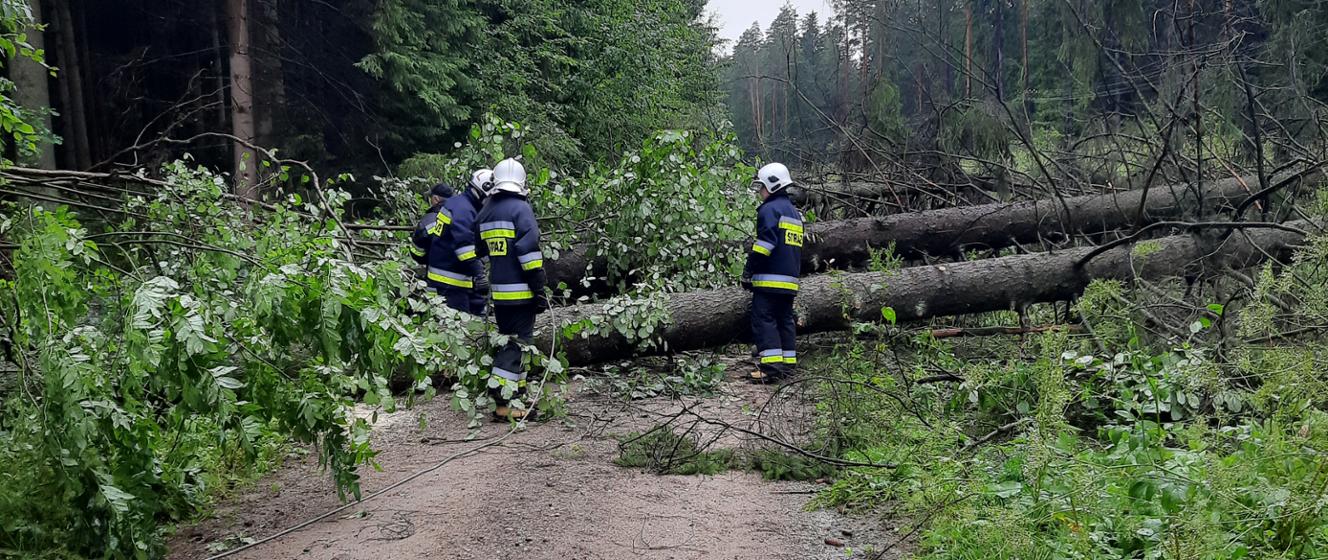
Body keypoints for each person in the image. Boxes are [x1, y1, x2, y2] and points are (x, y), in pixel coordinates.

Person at [473, 158, 548, 420]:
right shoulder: (521, 209)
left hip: (500, 293)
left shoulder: (485, 211)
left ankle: (516, 397)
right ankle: (502, 400)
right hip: (521, 291)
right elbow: (528, 252)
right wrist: (539, 287)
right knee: (518, 344)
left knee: (514, 341)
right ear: (522, 182)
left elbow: (479, 249)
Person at [741, 162, 802, 383]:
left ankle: (771, 368)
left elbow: (765, 245)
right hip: (790, 281)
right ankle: (787, 365)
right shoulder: (794, 213)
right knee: (785, 320)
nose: (760, 191)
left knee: (764, 319)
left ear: (772, 185)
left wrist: (748, 270)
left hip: (770, 279)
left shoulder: (769, 210)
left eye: (762, 187)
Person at [424, 169, 492, 316]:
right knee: (459, 325)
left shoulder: (459, 203)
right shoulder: (464, 210)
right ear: (481, 191)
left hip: (453, 278)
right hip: (449, 283)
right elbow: (465, 249)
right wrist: (480, 274)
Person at [409, 183, 454, 266]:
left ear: (435, 199)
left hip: (437, 270)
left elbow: (417, 253)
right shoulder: (465, 214)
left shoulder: (429, 221)